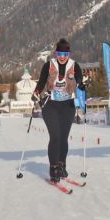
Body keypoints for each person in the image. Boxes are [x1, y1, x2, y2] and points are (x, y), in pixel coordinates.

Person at [33, 39, 86, 182]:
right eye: (59, 53)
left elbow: (80, 80)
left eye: (65, 53)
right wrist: (36, 92)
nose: (62, 56)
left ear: (68, 53)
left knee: (63, 138)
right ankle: (53, 167)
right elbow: (41, 82)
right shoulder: (49, 65)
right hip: (51, 104)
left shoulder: (74, 65)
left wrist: (81, 85)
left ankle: (62, 164)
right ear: (56, 53)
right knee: (55, 136)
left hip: (67, 105)